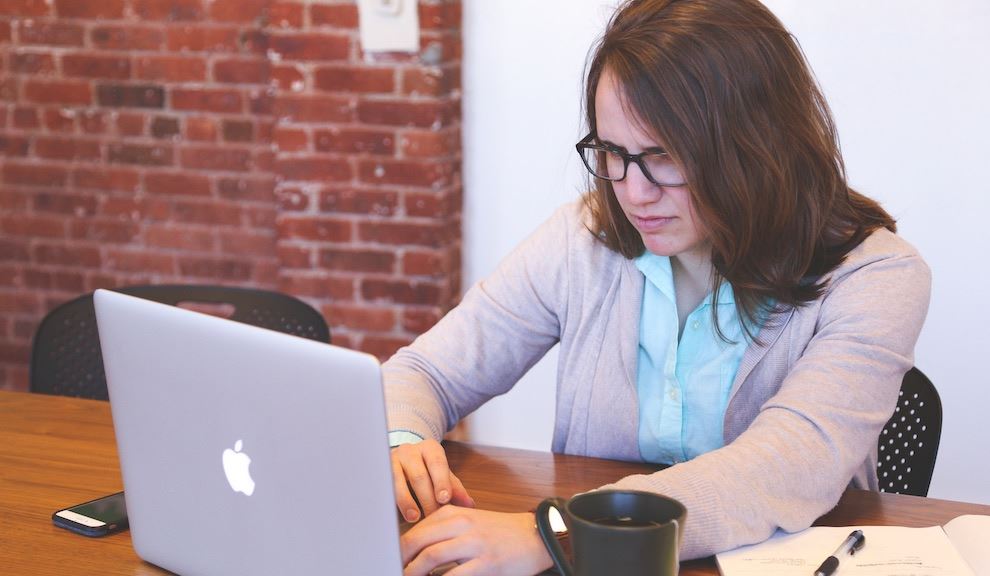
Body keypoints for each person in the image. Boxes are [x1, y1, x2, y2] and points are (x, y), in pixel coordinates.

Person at [383, 0, 931, 574]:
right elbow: (424, 373)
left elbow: (788, 468)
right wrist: (404, 438)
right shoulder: (581, 240)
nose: (632, 191)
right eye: (613, 153)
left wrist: (555, 532)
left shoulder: (877, 276)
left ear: (758, 144)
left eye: (663, 157)